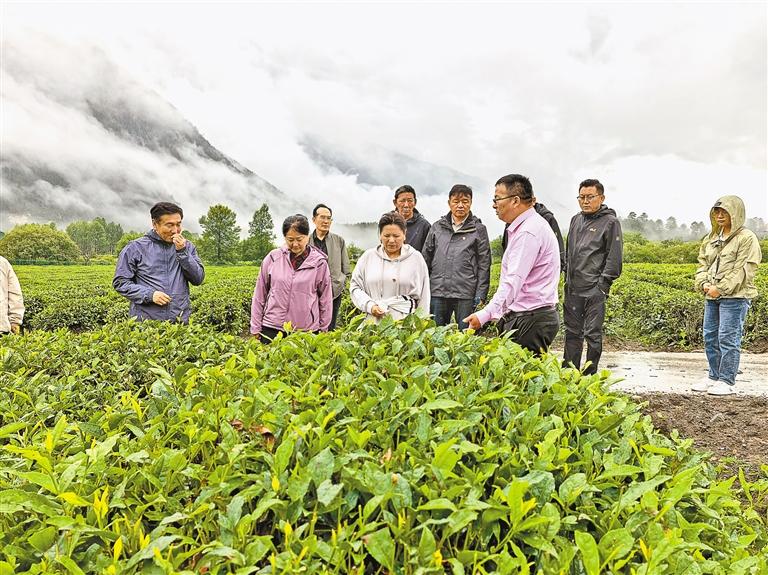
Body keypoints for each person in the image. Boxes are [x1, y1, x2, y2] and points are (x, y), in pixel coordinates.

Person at [464, 174, 560, 354]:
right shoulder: (528, 226)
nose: (494, 205)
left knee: (522, 370)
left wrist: (485, 314)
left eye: (497, 199)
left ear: (515, 201)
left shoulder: (528, 233)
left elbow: (512, 281)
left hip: (530, 319)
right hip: (531, 316)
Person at [692, 195, 762, 396]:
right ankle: (713, 376)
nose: (720, 216)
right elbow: (702, 264)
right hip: (711, 295)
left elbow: (745, 269)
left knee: (728, 338)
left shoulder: (746, 238)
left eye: (725, 212)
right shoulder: (712, 237)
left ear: (736, 213)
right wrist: (703, 283)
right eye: (717, 212)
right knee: (710, 336)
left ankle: (726, 380)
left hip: (736, 297)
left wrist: (720, 288)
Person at [562, 179, 623, 375]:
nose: (585, 201)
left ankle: (590, 376)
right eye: (581, 197)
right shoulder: (575, 220)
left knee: (592, 335)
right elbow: (568, 251)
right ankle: (569, 374)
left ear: (601, 198)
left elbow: (614, 257)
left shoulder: (610, 222)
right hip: (573, 288)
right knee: (572, 333)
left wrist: (602, 285)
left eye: (590, 197)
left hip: (594, 289)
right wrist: (566, 275)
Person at [113, 202, 205, 323]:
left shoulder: (187, 247)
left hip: (179, 322)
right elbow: (121, 282)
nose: (175, 230)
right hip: (146, 323)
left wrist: (182, 253)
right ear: (155, 224)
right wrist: (150, 295)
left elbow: (198, 279)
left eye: (178, 224)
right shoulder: (135, 248)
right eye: (169, 225)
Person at [251, 214, 333, 341]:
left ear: (307, 236)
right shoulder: (273, 258)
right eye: (290, 239)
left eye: (299, 239)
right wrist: (255, 326)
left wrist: (324, 328)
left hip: (305, 330)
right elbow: (259, 294)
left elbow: (326, 299)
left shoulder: (319, 263)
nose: (295, 244)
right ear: (285, 238)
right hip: (272, 327)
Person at [422, 184, 491, 329]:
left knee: (467, 335)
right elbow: (425, 259)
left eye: (465, 201)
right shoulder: (437, 227)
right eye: (456, 201)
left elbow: (484, 264)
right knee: (435, 333)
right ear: (449, 203)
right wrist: (423, 290)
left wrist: (481, 294)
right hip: (438, 291)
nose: (460, 205)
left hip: (466, 292)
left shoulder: (478, 229)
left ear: (470, 203)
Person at [350, 211, 430, 321]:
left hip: (406, 322)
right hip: (373, 321)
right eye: (386, 236)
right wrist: (370, 306)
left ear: (404, 234)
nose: (391, 240)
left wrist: (422, 322)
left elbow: (424, 295)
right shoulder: (368, 257)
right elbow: (355, 287)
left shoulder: (416, 258)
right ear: (380, 235)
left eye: (396, 236)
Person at [309, 203, 350, 330]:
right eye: (322, 217)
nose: (326, 221)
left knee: (330, 327)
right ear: (314, 219)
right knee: (311, 325)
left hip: (334, 291)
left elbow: (346, 267)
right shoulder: (306, 241)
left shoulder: (339, 240)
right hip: (311, 291)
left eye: (329, 218)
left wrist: (342, 283)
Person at [502, 200, 566, 271]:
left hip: (541, 274)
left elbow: (558, 250)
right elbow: (506, 249)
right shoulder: (511, 223)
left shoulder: (546, 218)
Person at [393, 185, 431, 252]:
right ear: (395, 203)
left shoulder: (424, 226)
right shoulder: (387, 223)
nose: (406, 205)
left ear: (415, 202)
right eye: (402, 201)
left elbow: (428, 252)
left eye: (410, 201)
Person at [0, 256, 24, 335]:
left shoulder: (3, 262)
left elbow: (14, 293)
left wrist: (15, 320)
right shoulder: (3, 262)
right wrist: (15, 321)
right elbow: (15, 294)